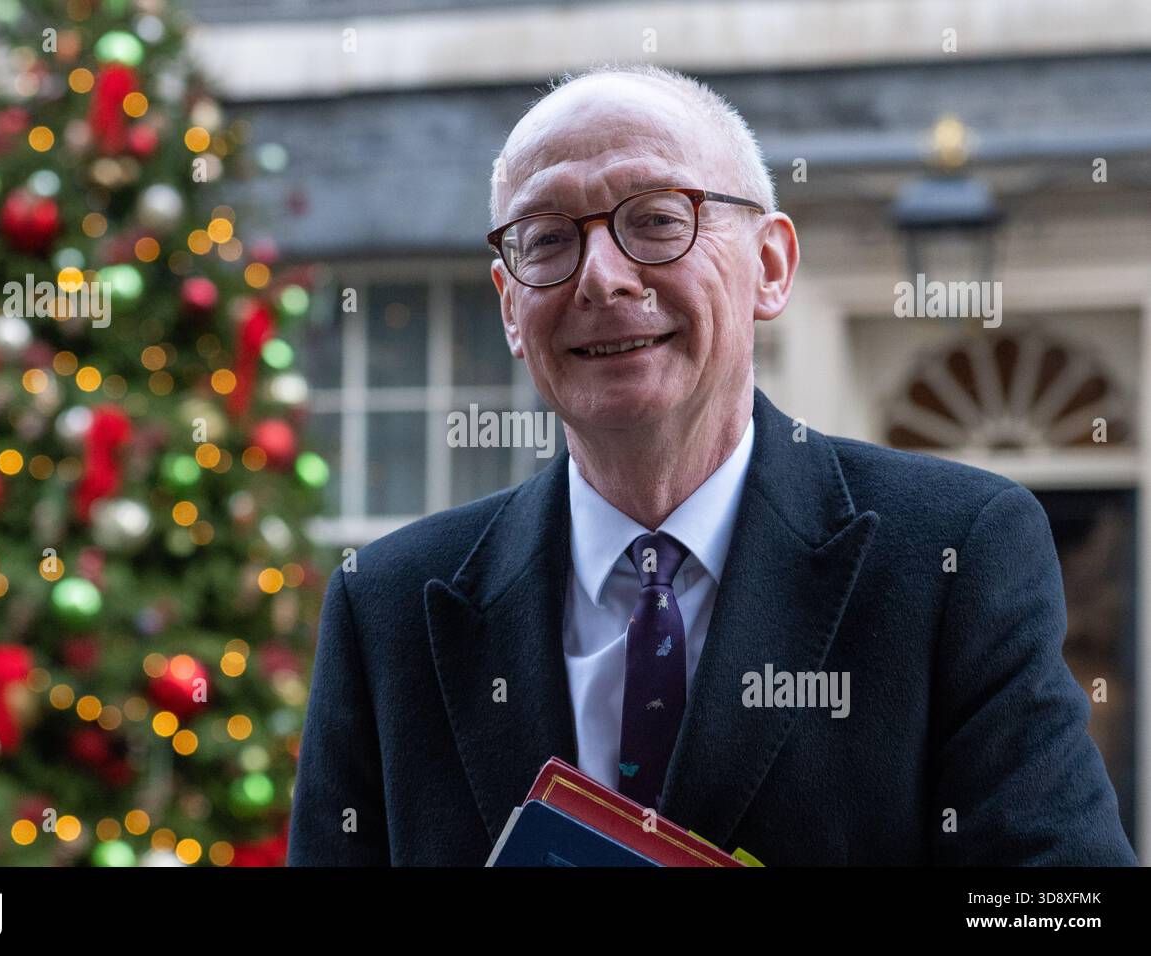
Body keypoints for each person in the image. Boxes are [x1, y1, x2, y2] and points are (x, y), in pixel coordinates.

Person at [287, 63, 1136, 866]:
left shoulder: (952, 554)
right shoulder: (387, 608)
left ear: (770, 266)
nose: (603, 279)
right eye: (547, 240)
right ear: (512, 307)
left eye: (657, 220)